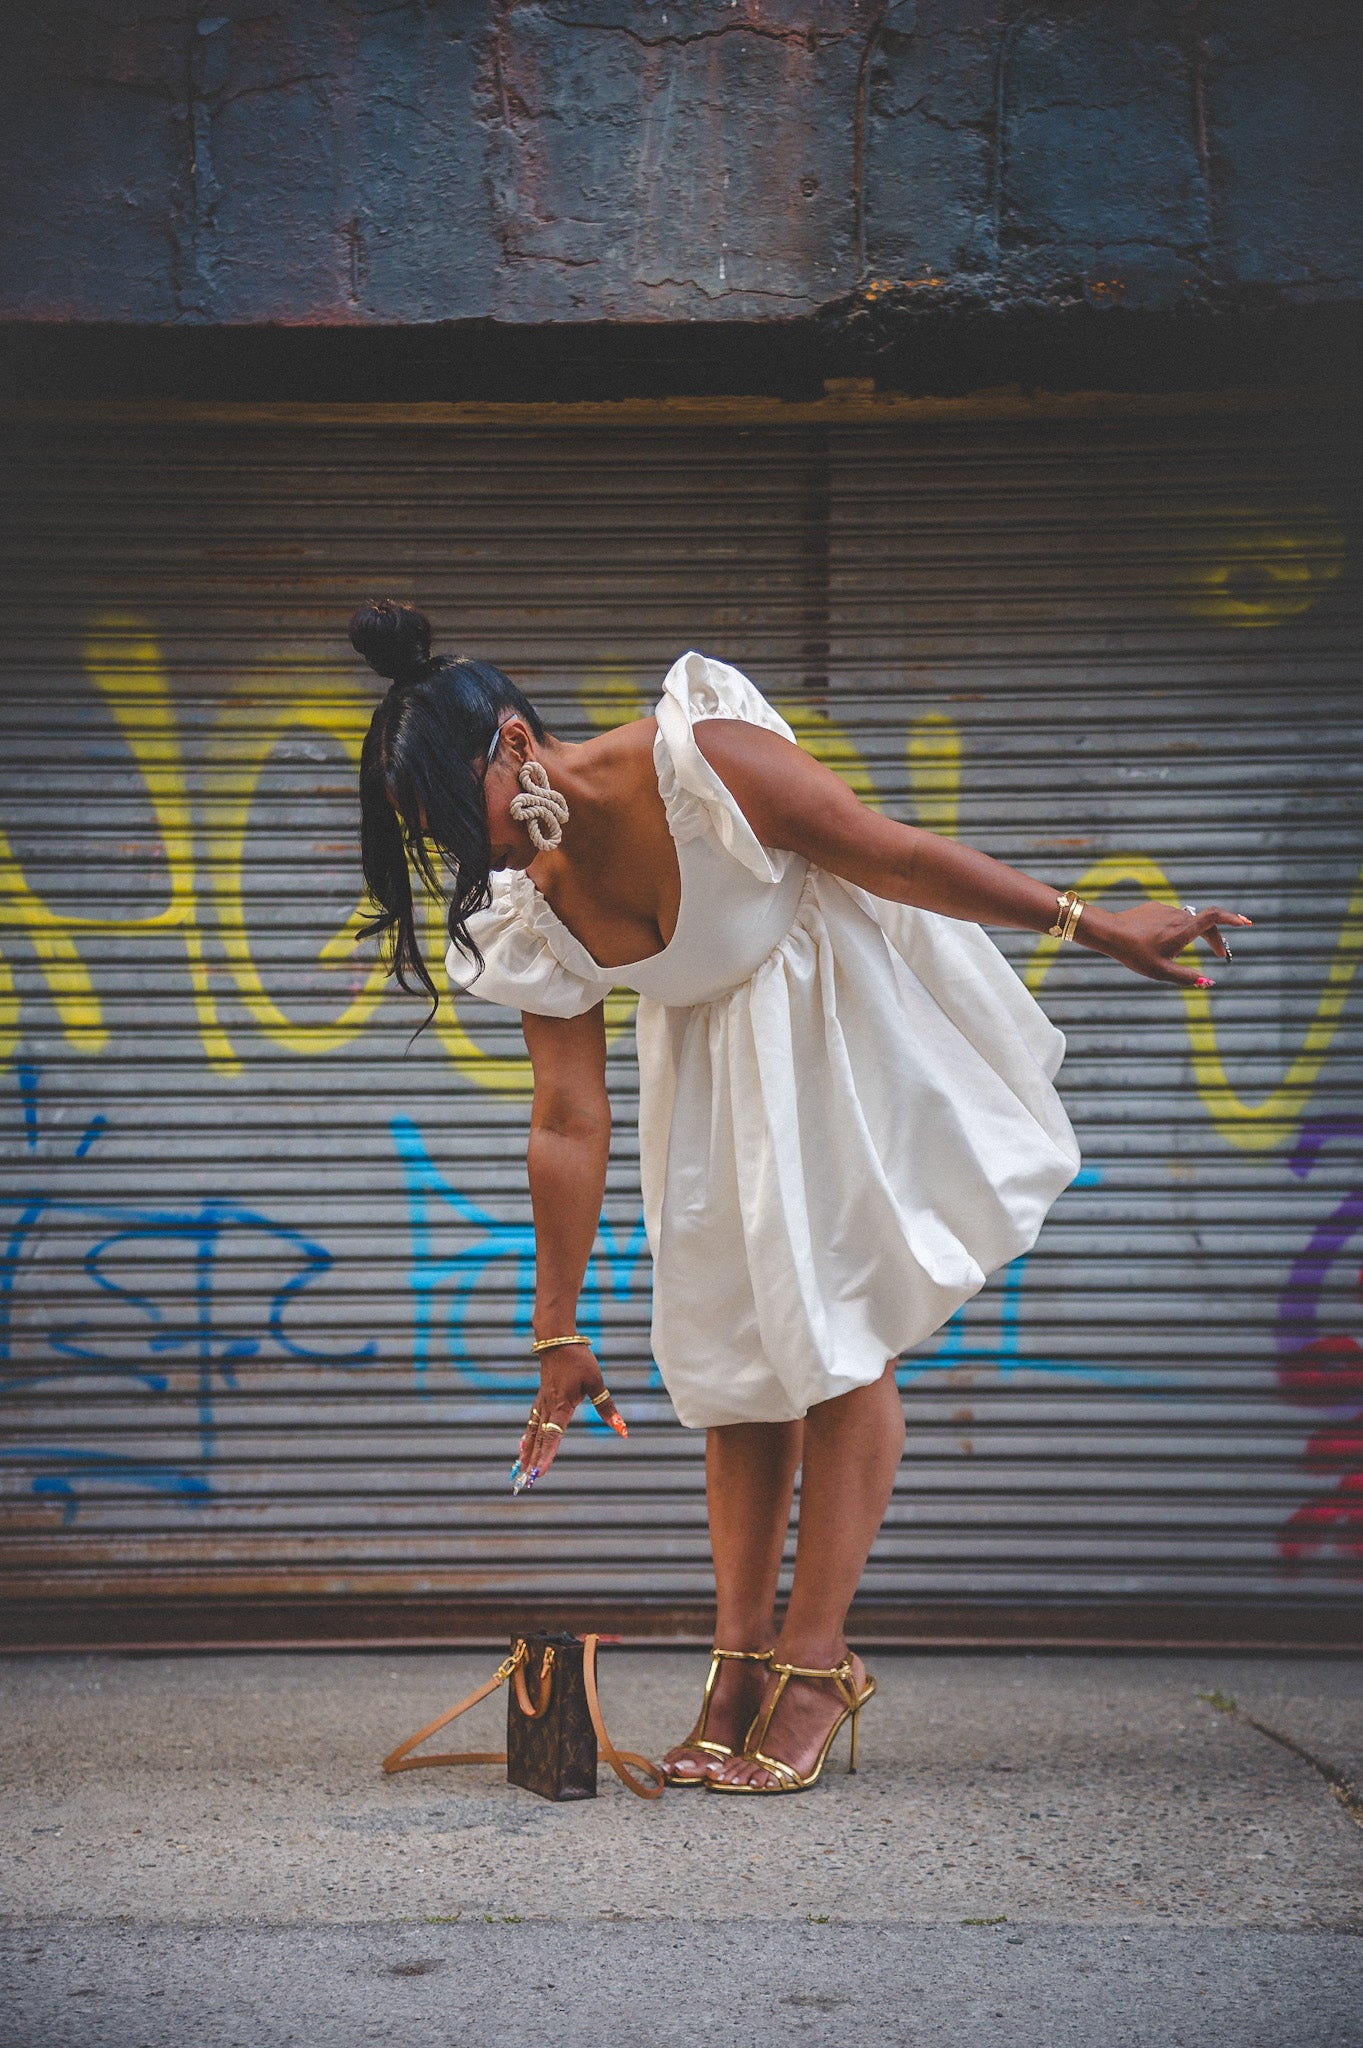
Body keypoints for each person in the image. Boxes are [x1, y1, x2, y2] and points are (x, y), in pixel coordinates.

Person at [351, 598, 1249, 1796]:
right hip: (713, 1074)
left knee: (835, 1345)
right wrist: (556, 1329)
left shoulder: (700, 758)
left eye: (469, 817)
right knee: (734, 1367)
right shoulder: (529, 905)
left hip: (838, 1034)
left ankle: (815, 1661)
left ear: (514, 741)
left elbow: (898, 854)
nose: (481, 852)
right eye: (439, 837)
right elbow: (565, 1117)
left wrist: (1093, 926)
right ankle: (735, 1666)